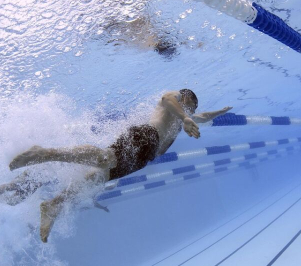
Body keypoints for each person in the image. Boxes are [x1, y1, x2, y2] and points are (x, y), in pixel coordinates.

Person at [3, 90, 232, 243]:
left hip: (143, 158)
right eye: (189, 106)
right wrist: (184, 118)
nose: (190, 112)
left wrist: (219, 112)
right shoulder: (175, 101)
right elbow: (166, 100)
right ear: (183, 98)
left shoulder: (187, 115)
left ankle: (54, 204)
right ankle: (44, 153)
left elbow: (201, 117)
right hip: (146, 136)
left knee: (96, 178)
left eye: (191, 110)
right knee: (105, 159)